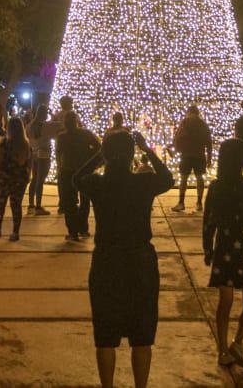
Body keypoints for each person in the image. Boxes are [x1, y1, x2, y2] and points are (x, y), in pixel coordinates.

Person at [74, 130, 174, 388]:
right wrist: (147, 149)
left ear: (106, 155)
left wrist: (101, 155)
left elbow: (76, 178)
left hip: (107, 259)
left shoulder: (98, 185)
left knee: (105, 335)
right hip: (140, 260)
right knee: (142, 334)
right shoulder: (143, 183)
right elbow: (168, 178)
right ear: (131, 154)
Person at [202, 138, 243, 369]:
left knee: (224, 302)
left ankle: (222, 350)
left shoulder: (216, 187)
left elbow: (209, 221)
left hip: (225, 244)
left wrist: (207, 248)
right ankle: (237, 341)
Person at [58, 111, 101, 241]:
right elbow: (99, 147)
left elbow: (58, 154)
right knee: (84, 200)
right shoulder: (85, 134)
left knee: (70, 201)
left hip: (68, 170)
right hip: (83, 170)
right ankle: (83, 228)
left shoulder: (62, 137)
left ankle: (73, 231)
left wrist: (60, 167)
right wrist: (90, 159)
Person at [0, 119, 33, 241]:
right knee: (16, 205)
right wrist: (28, 175)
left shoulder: (6, 143)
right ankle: (15, 232)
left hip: (5, 177)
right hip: (19, 178)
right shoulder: (26, 144)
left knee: (0, 204)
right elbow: (29, 162)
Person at [172, 105, 213, 213]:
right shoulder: (203, 124)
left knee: (184, 178)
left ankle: (181, 202)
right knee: (200, 178)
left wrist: (177, 148)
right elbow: (209, 141)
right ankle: (199, 203)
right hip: (199, 155)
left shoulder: (185, 122)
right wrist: (209, 157)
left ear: (189, 112)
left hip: (186, 155)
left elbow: (178, 136)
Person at [26, 105, 53, 215]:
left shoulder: (29, 126)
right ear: (44, 113)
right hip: (44, 154)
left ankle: (31, 205)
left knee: (34, 179)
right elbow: (59, 126)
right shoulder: (46, 125)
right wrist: (52, 114)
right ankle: (38, 206)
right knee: (40, 181)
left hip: (34, 153)